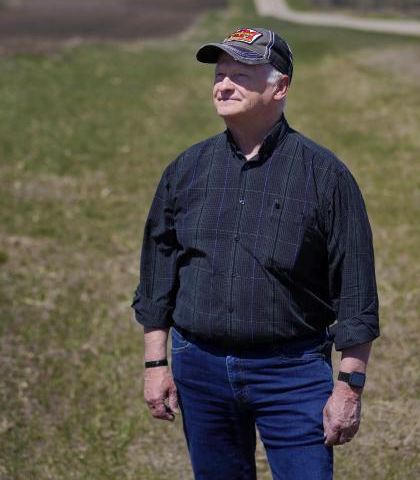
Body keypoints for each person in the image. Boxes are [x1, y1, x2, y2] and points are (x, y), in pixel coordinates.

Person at [132, 27, 379, 479]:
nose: (223, 85)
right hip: (199, 368)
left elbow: (356, 291)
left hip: (293, 373)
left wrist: (348, 387)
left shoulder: (325, 176)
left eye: (241, 75)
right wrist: (155, 364)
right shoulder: (186, 170)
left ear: (279, 86)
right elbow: (157, 275)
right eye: (219, 74)